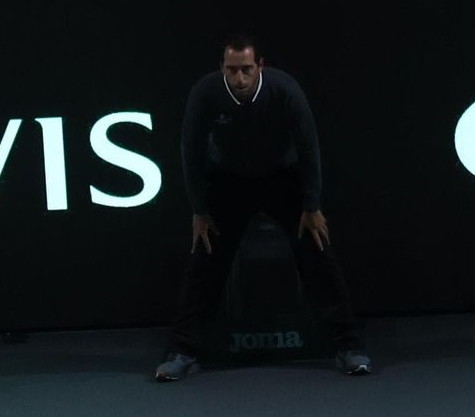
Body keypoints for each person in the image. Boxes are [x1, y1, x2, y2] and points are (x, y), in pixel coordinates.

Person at [156, 34, 370, 381]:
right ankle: (182, 351)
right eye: (231, 71)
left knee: (317, 251)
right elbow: (189, 152)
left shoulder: (285, 91)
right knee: (205, 258)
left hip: (282, 180)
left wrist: (311, 205)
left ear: (260, 67)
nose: (238, 79)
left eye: (245, 70)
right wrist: (199, 209)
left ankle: (350, 347)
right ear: (221, 69)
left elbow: (308, 146)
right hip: (229, 183)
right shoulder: (206, 93)